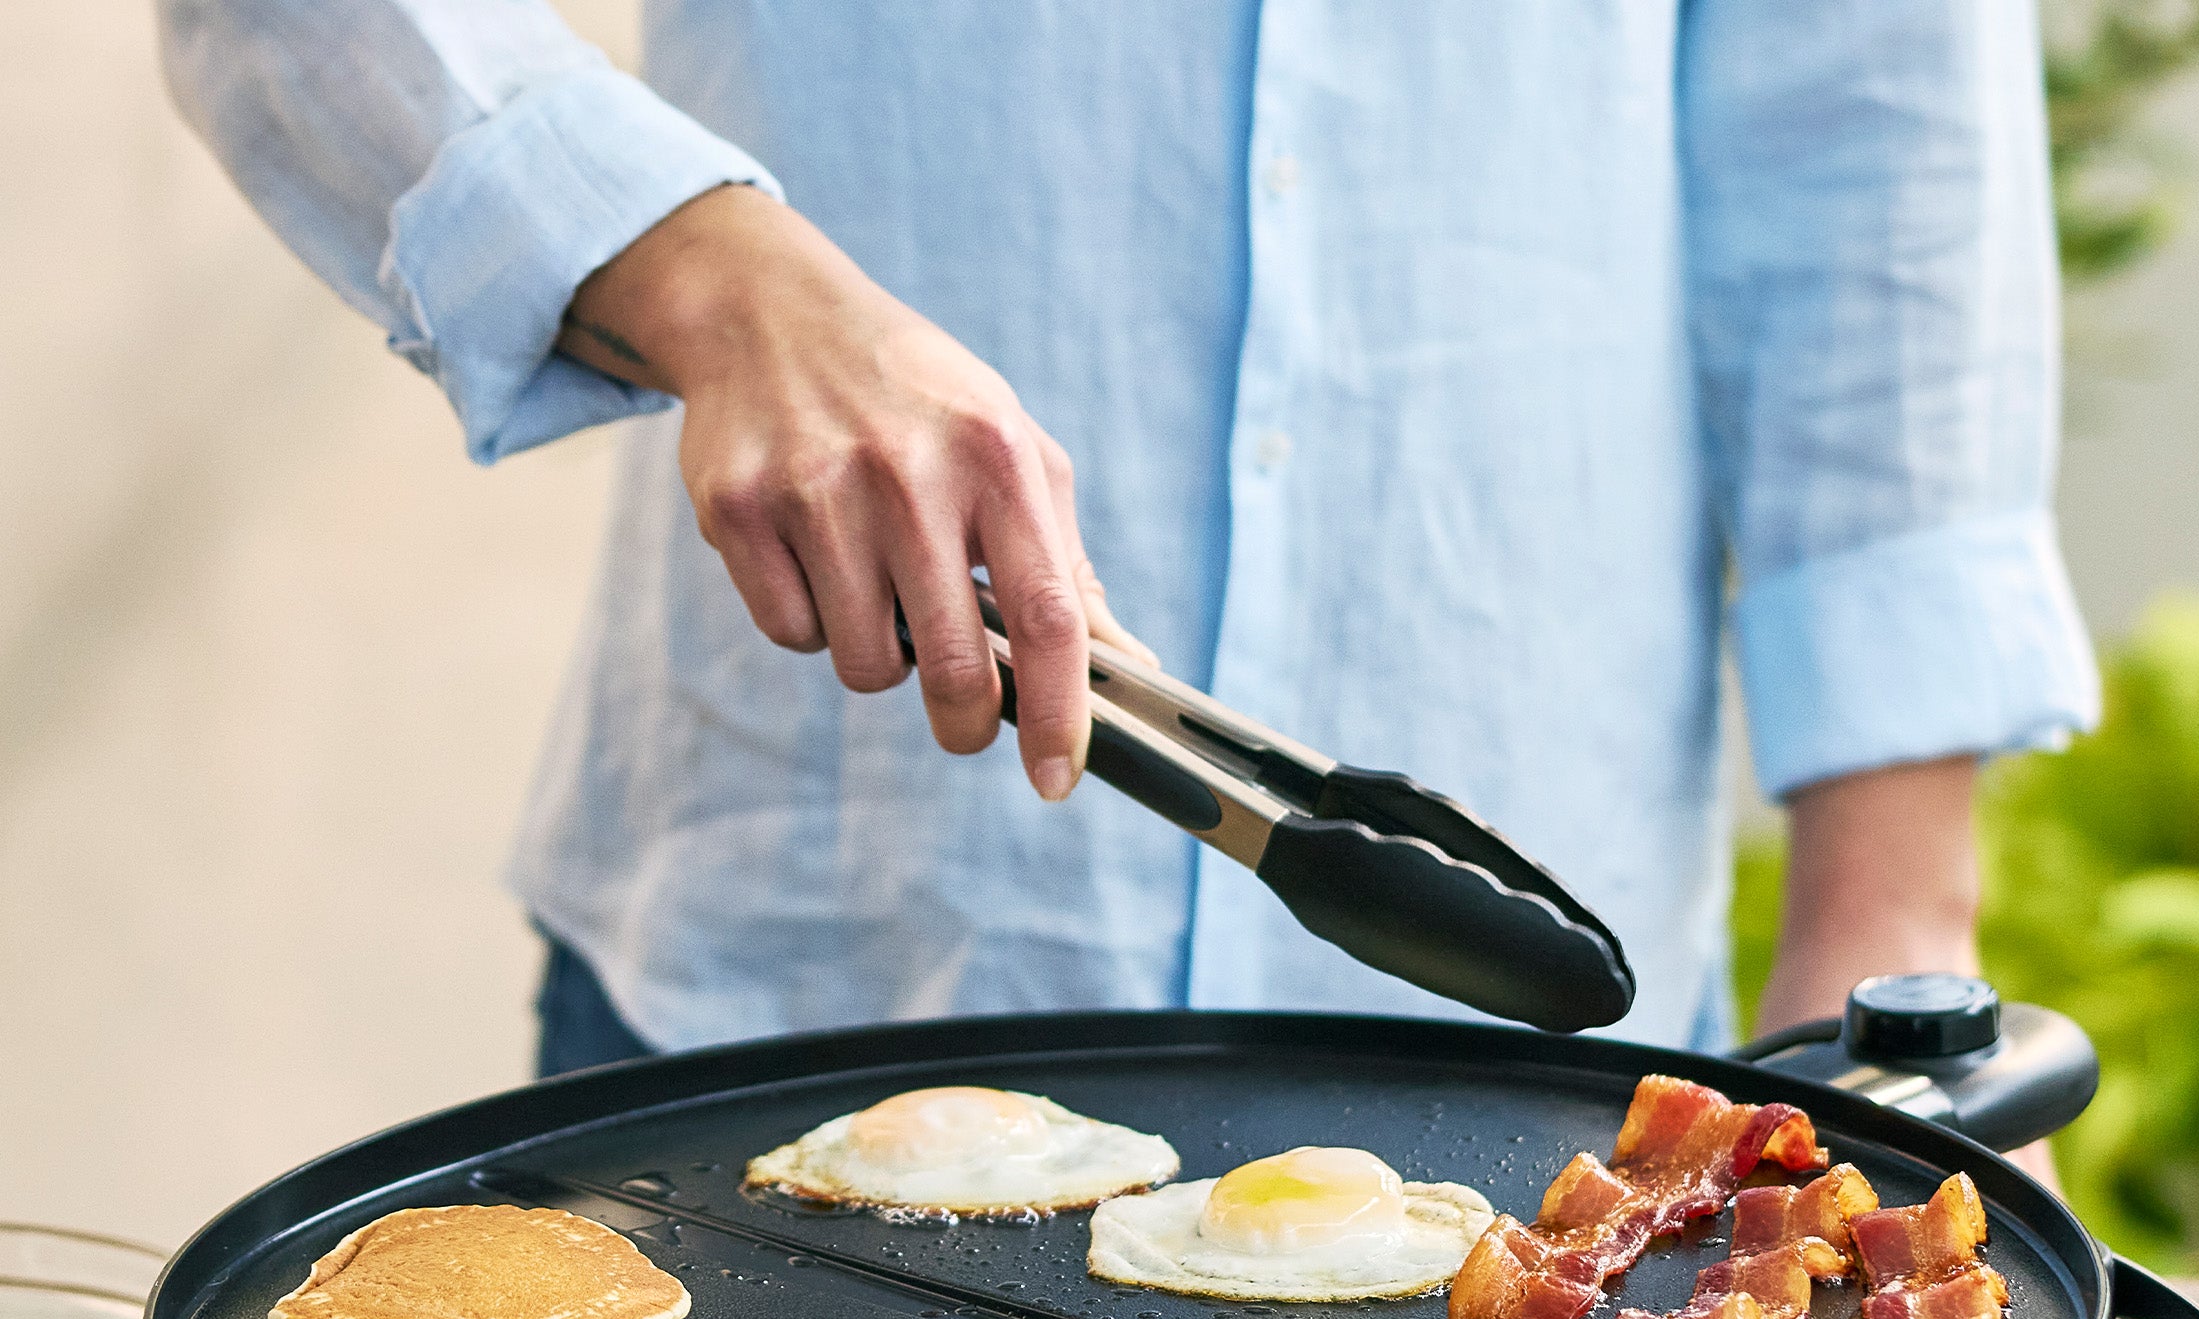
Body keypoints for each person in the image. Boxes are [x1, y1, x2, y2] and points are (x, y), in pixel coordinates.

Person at [162, 2, 2098, 1079]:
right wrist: (711, 273)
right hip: (803, 958)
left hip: (1519, 1023)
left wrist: (1895, 925)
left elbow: (1873, 137)